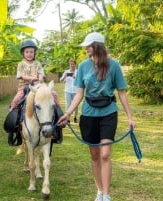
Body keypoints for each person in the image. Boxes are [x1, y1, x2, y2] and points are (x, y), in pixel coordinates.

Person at [57, 32, 135, 201]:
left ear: (97, 46)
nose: (85, 48)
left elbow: (121, 92)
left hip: (108, 113)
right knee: (94, 155)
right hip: (89, 114)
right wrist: (68, 113)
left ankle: (106, 196)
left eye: (88, 45)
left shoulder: (114, 66)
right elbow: (79, 94)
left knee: (105, 153)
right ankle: (99, 191)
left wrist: (130, 117)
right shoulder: (84, 66)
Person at [7, 39, 63, 145]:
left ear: (34, 53)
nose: (29, 54)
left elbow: (41, 74)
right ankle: (13, 125)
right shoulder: (21, 64)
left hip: (39, 86)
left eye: (31, 52)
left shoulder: (37, 63)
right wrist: (32, 78)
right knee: (16, 101)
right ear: (23, 53)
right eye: (27, 52)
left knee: (53, 95)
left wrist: (40, 79)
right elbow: (21, 76)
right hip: (25, 87)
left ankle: (59, 115)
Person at [60, 58, 78, 123]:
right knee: (68, 104)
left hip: (76, 91)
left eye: (73, 64)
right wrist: (64, 76)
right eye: (71, 64)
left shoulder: (78, 72)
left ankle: (75, 117)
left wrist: (74, 76)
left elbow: (80, 81)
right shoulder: (66, 72)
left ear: (75, 64)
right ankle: (67, 118)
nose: (72, 65)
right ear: (69, 64)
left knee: (75, 105)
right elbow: (61, 80)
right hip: (68, 90)